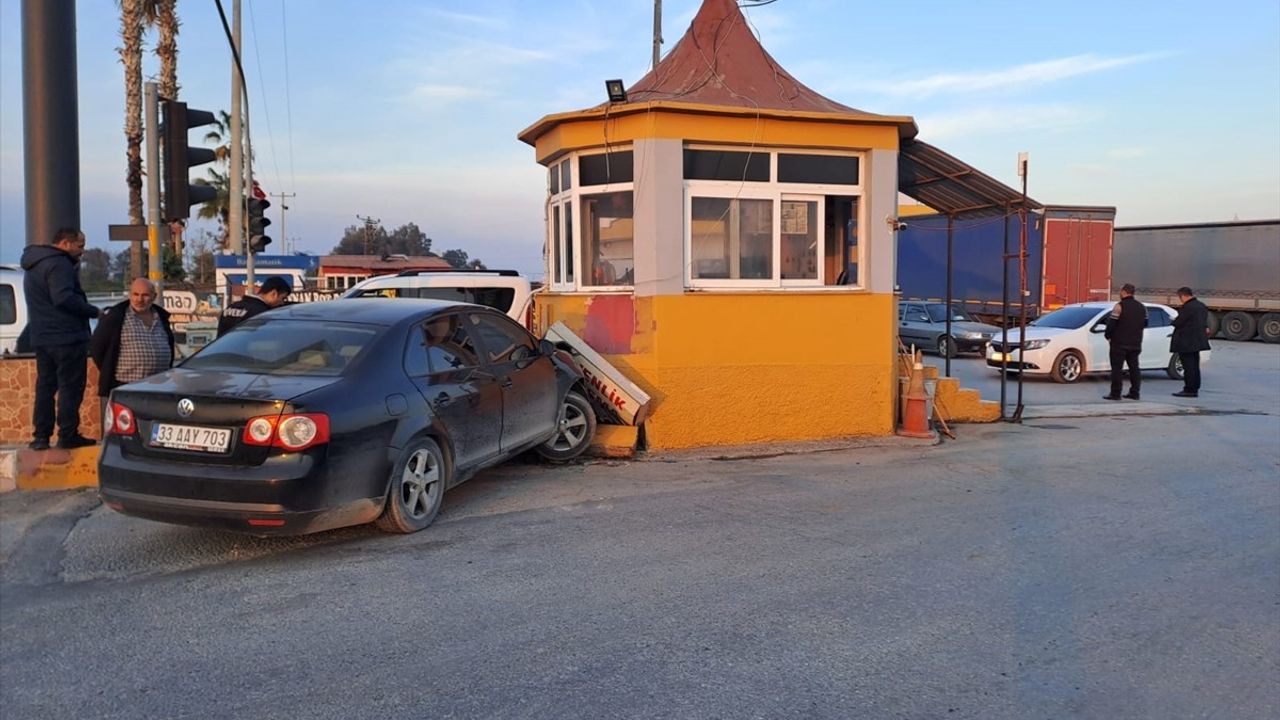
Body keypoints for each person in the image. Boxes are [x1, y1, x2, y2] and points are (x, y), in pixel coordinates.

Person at [20, 227, 101, 450]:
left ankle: (41, 437)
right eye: (80, 245)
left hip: (42, 337)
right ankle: (67, 434)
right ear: (65, 243)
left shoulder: (33, 265)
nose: (81, 251)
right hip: (67, 337)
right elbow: (63, 298)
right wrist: (93, 311)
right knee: (70, 387)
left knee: (45, 387)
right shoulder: (60, 264)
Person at [91, 278, 175, 398]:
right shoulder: (116, 317)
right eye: (136, 294)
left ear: (154, 296)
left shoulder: (161, 318)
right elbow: (97, 348)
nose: (139, 299)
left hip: (159, 387)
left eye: (145, 295)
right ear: (130, 295)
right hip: (126, 387)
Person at [1103, 282, 1146, 401]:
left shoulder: (1119, 306)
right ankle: (1135, 393)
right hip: (1136, 343)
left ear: (1124, 292)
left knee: (1117, 369)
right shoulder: (1141, 307)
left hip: (1119, 343)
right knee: (1134, 368)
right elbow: (1145, 323)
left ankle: (1116, 393)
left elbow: (1112, 324)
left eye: (1120, 291)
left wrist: (1108, 336)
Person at [216, 275, 292, 337]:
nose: (282, 303)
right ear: (274, 293)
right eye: (283, 298)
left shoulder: (231, 307)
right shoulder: (262, 313)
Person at [1170, 286, 1211, 398]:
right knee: (1194, 366)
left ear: (1183, 296)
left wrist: (1174, 321)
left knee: (1188, 367)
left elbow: (1179, 322)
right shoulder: (1201, 306)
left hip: (1186, 341)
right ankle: (1195, 388)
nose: (1180, 299)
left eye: (1180, 297)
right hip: (1197, 341)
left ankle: (1189, 389)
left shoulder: (1188, 307)